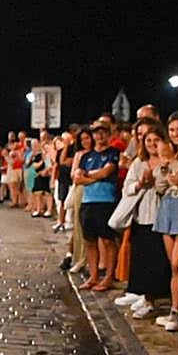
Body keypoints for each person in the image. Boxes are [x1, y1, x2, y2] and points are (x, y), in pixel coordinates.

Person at [113, 123, 171, 319]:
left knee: (158, 260)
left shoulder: (168, 161)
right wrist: (140, 184)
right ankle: (144, 297)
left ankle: (154, 298)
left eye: (156, 140)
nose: (152, 144)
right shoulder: (139, 162)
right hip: (142, 216)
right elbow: (127, 188)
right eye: (148, 141)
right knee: (142, 259)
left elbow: (169, 185)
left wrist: (157, 178)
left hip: (162, 216)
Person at [153, 118, 178, 332]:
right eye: (172, 130)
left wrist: (172, 163)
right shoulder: (169, 154)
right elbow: (160, 186)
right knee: (173, 265)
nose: (176, 133)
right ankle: (175, 310)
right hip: (167, 206)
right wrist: (164, 164)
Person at [74, 120, 120, 291]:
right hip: (88, 202)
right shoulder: (86, 156)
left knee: (108, 241)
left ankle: (108, 277)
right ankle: (93, 276)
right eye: (96, 133)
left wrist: (88, 176)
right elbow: (78, 178)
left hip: (105, 201)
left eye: (103, 132)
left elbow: (107, 171)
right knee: (90, 241)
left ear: (108, 134)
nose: (99, 136)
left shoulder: (113, 152)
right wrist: (94, 176)